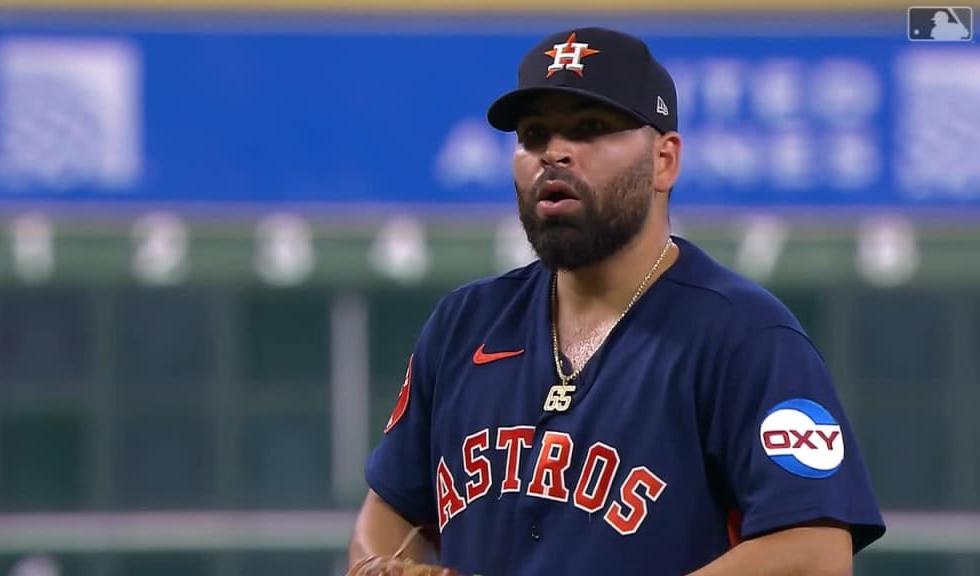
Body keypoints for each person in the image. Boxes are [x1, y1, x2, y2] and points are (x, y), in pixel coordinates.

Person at [347, 26, 886, 575]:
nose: (554, 153)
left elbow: (814, 555)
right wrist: (379, 567)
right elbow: (388, 515)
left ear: (664, 160)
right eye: (534, 135)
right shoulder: (464, 325)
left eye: (592, 129)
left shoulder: (745, 337)